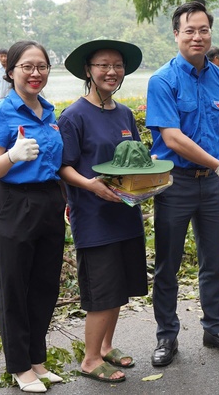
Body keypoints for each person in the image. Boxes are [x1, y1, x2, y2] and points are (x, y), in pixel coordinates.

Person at [145, 1, 219, 367]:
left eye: (203, 30)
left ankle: (214, 329)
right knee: (167, 264)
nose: (197, 36)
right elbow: (171, 138)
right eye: (189, 30)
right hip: (175, 184)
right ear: (176, 35)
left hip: (212, 186)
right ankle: (166, 337)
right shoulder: (162, 80)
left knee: (214, 261)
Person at [58, 39, 150, 383]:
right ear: (88, 70)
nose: (111, 71)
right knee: (102, 291)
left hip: (126, 213)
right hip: (94, 217)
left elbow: (135, 160)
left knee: (120, 287)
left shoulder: (124, 114)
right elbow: (63, 167)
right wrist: (92, 185)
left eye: (117, 65)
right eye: (103, 65)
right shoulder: (73, 116)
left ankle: (107, 346)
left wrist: (149, 183)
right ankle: (90, 359)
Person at [0, 40, 65, 393]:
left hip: (49, 201)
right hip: (13, 203)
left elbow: (56, 163)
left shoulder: (49, 112)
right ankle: (19, 366)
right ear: (11, 70)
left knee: (45, 285)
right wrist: (13, 156)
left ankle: (37, 359)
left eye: (41, 66)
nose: (35, 73)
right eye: (27, 67)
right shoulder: (0, 113)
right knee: (14, 287)